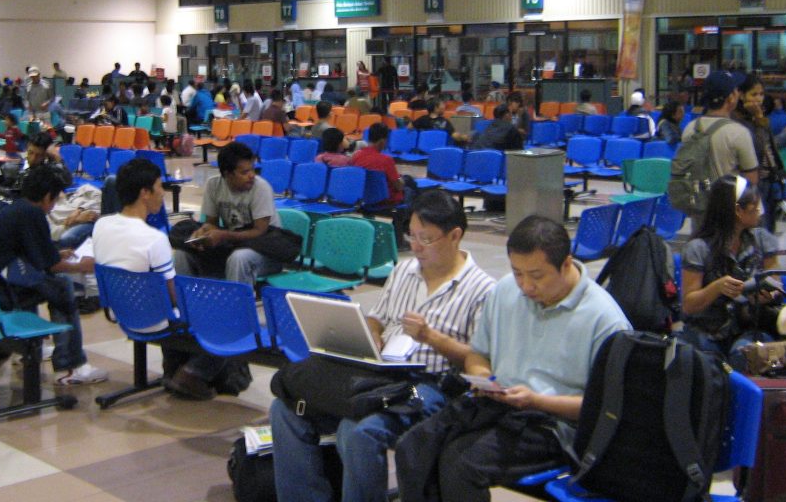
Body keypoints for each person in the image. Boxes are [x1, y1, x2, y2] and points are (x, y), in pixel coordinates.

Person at [270, 191, 496, 502]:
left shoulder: (483, 290)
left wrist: (432, 337)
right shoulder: (404, 270)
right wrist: (371, 335)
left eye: (426, 239)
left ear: (455, 236)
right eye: (411, 235)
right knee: (286, 407)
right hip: (381, 373)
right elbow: (377, 318)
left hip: (430, 385)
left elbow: (478, 359)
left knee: (359, 432)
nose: (415, 246)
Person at [395, 215, 631, 502]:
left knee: (461, 463)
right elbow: (479, 354)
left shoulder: (605, 320)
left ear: (566, 264)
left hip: (554, 426)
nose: (526, 286)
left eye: (537, 275)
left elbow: (605, 409)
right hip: (499, 405)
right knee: (414, 447)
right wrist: (482, 376)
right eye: (518, 272)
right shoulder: (506, 290)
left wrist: (536, 400)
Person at [0, 163, 108, 385]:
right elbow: (51, 266)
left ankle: (29, 346)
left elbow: (29, 252)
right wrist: (81, 266)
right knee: (61, 286)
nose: (52, 207)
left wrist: (55, 254)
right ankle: (70, 365)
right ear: (46, 197)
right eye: (53, 200)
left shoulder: (6, 206)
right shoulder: (31, 213)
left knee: (33, 281)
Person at [93, 159, 228, 400]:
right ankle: (192, 372)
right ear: (144, 193)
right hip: (152, 320)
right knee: (227, 316)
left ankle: (172, 371)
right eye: (158, 187)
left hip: (120, 314)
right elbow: (173, 295)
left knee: (168, 308)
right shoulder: (153, 238)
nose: (162, 193)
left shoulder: (101, 225)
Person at [680, 175, 781, 371]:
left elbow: (776, 283)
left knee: (746, 355)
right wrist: (717, 287)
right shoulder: (698, 249)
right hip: (707, 330)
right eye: (755, 207)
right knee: (707, 362)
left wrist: (766, 295)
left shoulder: (762, 241)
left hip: (749, 327)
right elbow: (689, 305)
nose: (760, 213)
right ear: (737, 210)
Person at [175, 141, 289, 285]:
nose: (251, 175)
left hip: (267, 251)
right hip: (236, 246)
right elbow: (212, 223)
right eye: (244, 172)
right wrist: (203, 233)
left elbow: (260, 231)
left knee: (239, 258)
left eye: (252, 170)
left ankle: (236, 305)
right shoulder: (213, 185)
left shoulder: (261, 188)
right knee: (183, 253)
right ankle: (185, 302)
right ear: (227, 174)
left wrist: (223, 235)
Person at [681, 70, 758, 224]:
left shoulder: (690, 128)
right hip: (730, 213)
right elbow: (752, 179)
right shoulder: (738, 132)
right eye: (736, 90)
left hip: (701, 211)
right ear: (730, 98)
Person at [734, 73, 785, 231]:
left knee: (769, 228)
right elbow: (758, 146)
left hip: (769, 179)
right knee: (758, 227)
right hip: (754, 181)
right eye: (754, 94)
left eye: (761, 94)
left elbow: (771, 147)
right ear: (742, 95)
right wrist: (758, 118)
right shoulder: (739, 121)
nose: (758, 99)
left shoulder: (760, 118)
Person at [350, 123, 403, 205]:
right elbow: (399, 186)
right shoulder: (386, 160)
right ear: (382, 141)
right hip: (385, 201)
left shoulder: (356, 156)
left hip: (363, 199)